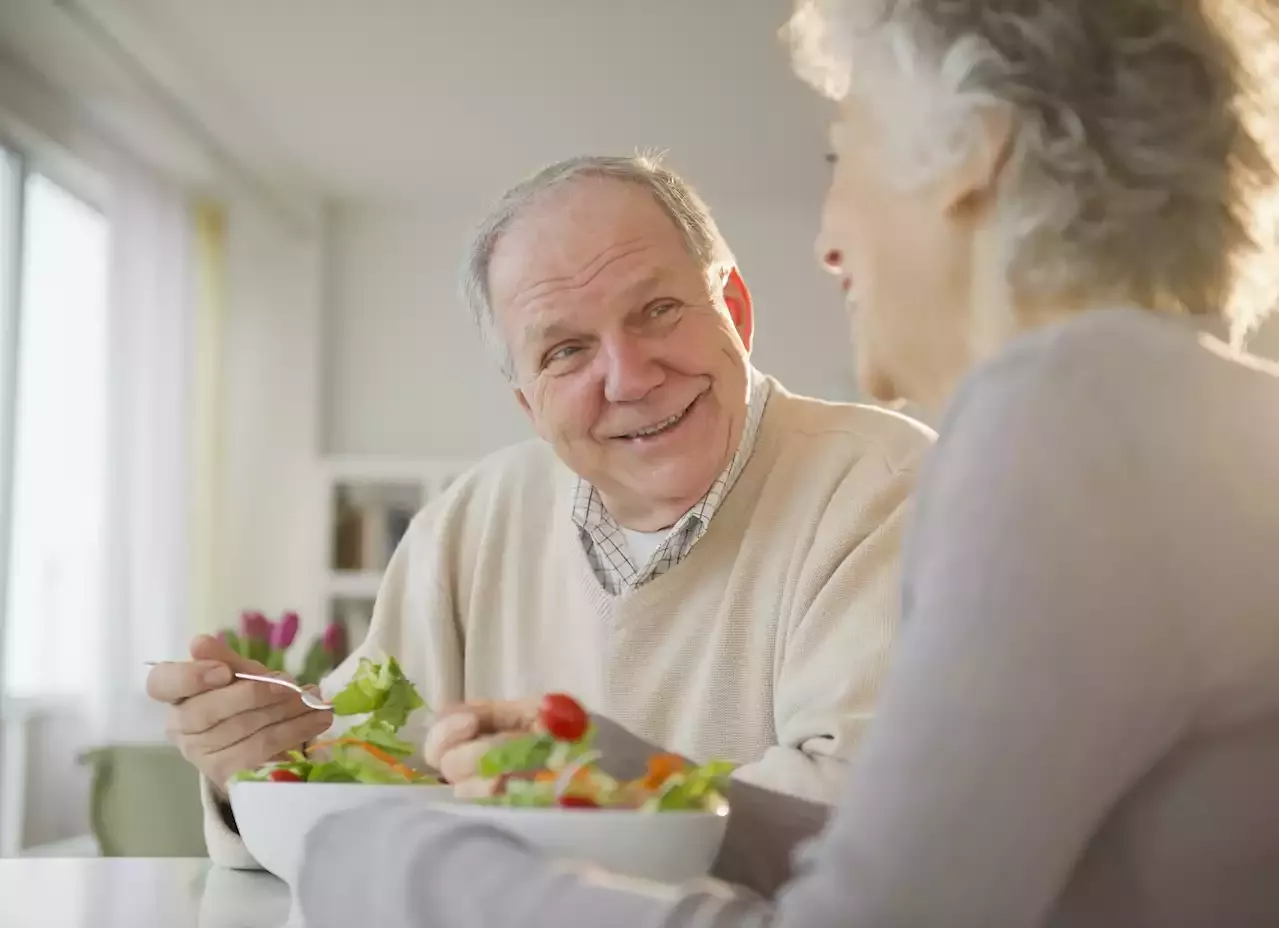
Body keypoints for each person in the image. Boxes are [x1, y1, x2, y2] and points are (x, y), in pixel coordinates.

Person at [294, 0, 1280, 925]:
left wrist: (396, 864)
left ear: (973, 156)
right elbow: (922, 868)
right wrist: (633, 774)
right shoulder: (1171, 410)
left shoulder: (1063, 421)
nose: (826, 238)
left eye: (839, 153)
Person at [146, 154, 934, 868]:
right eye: (566, 351)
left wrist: (575, 794)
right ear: (528, 402)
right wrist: (260, 760)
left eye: (657, 309)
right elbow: (366, 779)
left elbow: (873, 820)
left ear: (734, 307)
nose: (628, 377)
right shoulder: (469, 521)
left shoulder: (888, 486)